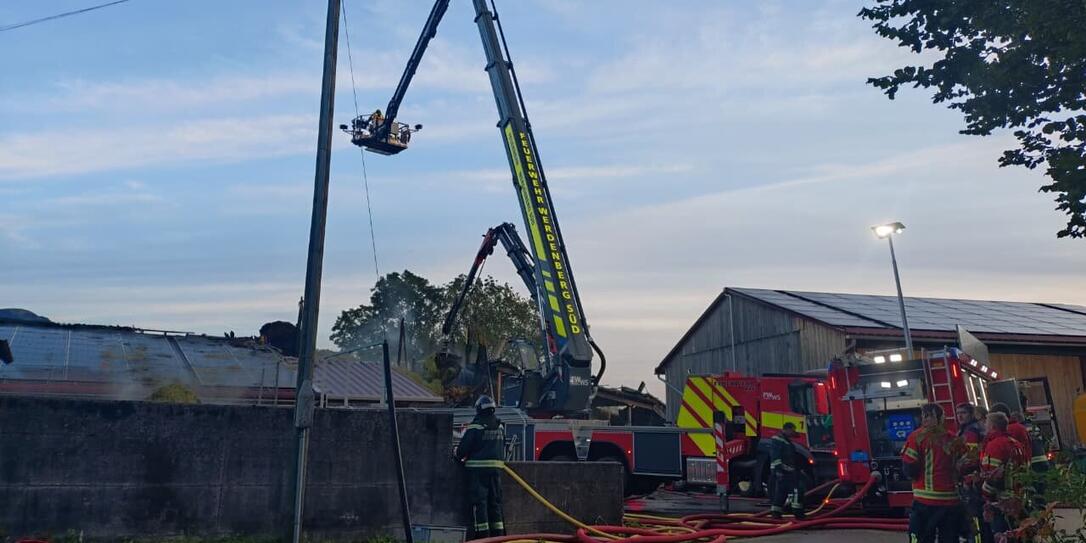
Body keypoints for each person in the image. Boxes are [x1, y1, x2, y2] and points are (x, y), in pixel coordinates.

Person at [902, 403, 967, 543]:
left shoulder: (916, 437)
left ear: (924, 417)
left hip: (925, 501)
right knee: (950, 539)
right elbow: (964, 467)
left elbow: (909, 468)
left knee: (922, 538)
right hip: (951, 500)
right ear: (941, 418)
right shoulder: (952, 438)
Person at [455, 395, 506, 539]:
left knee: (480, 503)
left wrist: (457, 455)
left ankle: (482, 537)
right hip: (496, 471)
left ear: (478, 409)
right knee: (495, 503)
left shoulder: (476, 426)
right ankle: (499, 536)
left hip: (478, 471)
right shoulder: (500, 426)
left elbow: (462, 450)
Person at [980, 412, 1026, 541]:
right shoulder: (1016, 444)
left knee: (1001, 536)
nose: (985, 426)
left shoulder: (995, 445)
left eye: (986, 423)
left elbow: (993, 477)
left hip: (1001, 502)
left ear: (993, 426)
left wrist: (985, 496)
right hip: (1019, 499)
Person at [768, 422, 805, 520]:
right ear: (787, 429)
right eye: (792, 430)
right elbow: (776, 457)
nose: (794, 432)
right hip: (784, 471)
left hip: (785, 471)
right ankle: (798, 512)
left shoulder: (786, 440)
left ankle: (776, 513)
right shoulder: (778, 440)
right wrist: (778, 470)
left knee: (781, 492)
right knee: (797, 490)